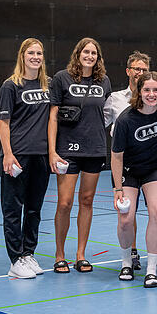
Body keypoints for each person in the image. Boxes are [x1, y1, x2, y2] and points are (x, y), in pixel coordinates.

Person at [48, 37, 112, 274]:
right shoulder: (62, 78)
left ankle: (81, 255)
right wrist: (52, 151)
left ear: (98, 57)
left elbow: (106, 113)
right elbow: (53, 116)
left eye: (94, 53)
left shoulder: (104, 81)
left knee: (87, 201)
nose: (90, 56)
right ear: (78, 54)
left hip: (94, 149)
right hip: (68, 149)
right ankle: (59, 255)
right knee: (65, 203)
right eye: (86, 52)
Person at [110, 72, 157, 288]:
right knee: (126, 219)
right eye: (146, 90)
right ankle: (126, 261)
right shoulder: (125, 120)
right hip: (129, 171)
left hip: (156, 169)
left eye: (155, 90)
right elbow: (116, 156)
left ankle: (151, 269)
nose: (151, 94)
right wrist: (118, 188)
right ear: (139, 92)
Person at [0, 38, 51, 279]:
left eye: (39, 53)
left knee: (34, 209)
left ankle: (28, 253)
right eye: (31, 52)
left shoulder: (47, 85)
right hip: (17, 156)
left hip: (40, 156)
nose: (36, 57)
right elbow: (3, 122)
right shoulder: (10, 86)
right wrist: (8, 154)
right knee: (12, 209)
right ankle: (15, 259)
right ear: (22, 56)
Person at [103, 51, 152, 270]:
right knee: (127, 211)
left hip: (151, 162)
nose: (139, 73)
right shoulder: (115, 99)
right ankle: (131, 252)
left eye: (144, 70)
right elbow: (98, 123)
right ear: (128, 71)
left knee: (156, 209)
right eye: (136, 69)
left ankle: (155, 248)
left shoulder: (154, 97)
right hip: (124, 163)